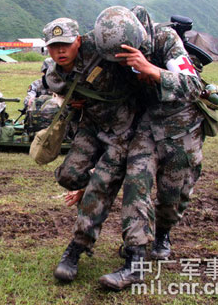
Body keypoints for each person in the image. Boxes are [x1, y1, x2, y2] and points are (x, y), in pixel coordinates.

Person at [99, 6, 204, 291]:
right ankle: (134, 262)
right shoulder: (113, 48)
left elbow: (193, 86)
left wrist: (152, 71)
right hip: (147, 126)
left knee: (172, 197)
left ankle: (163, 236)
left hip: (182, 127)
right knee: (136, 185)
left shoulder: (165, 40)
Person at [42, 15, 140, 283]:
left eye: (65, 44)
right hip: (92, 127)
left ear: (79, 40)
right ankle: (92, 187)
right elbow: (60, 92)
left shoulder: (102, 52)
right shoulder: (54, 75)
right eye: (53, 46)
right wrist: (74, 101)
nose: (60, 51)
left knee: (99, 189)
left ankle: (76, 249)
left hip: (122, 131)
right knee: (67, 175)